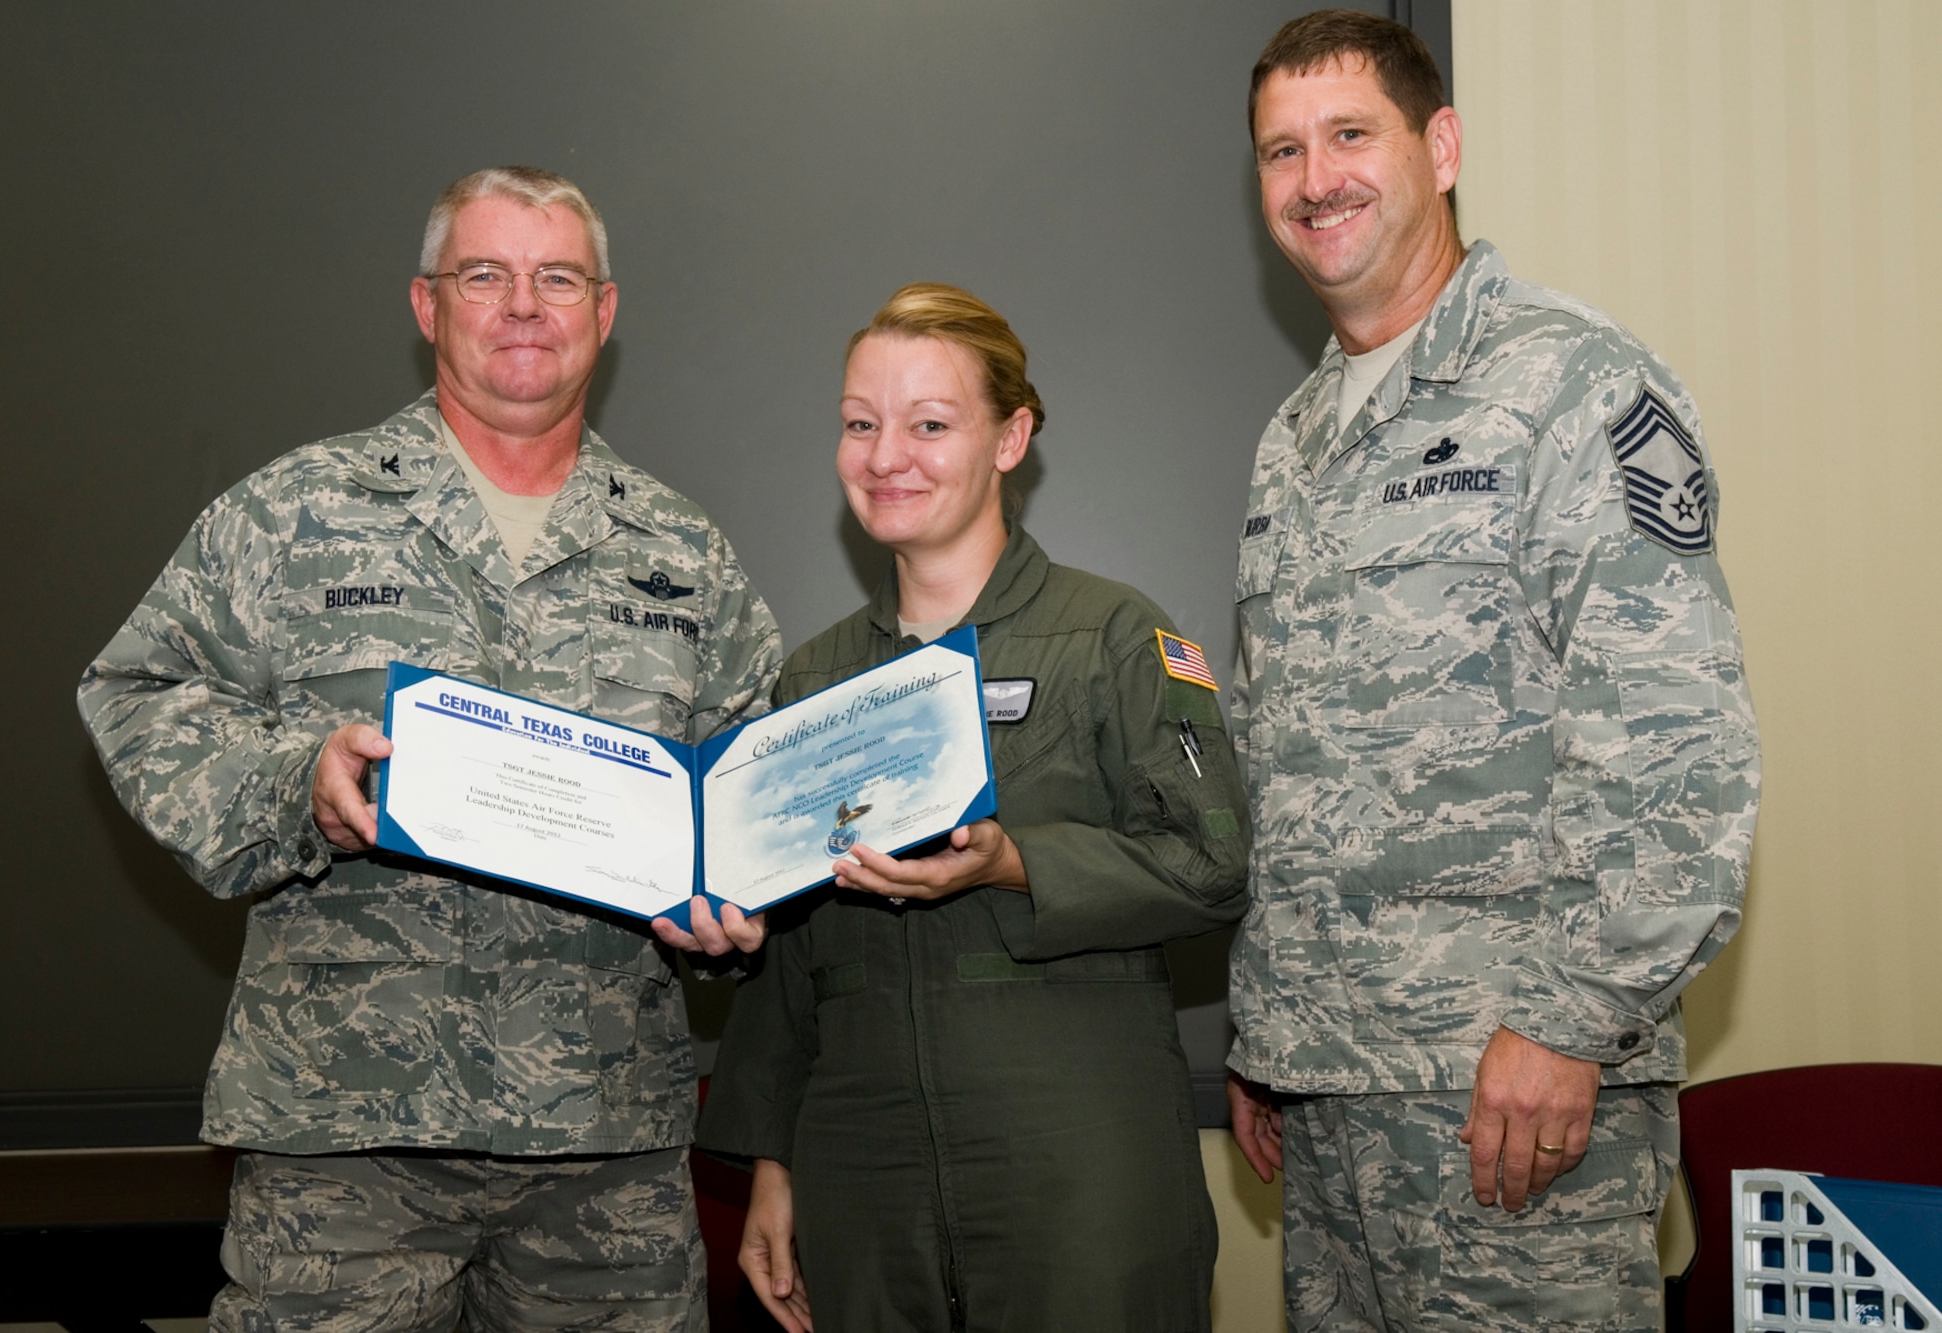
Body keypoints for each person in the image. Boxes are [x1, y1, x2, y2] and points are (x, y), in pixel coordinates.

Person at [77, 166, 782, 1331]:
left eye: (557, 277)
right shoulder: (293, 511)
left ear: (602, 314)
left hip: (601, 1150)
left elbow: (747, 788)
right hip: (342, 1136)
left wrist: (738, 902)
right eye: (484, 274)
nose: (522, 304)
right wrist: (289, 782)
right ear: (426, 305)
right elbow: (136, 687)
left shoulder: (682, 552)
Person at [1224, 12, 1760, 1332]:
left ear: (1442, 147)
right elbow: (1282, 749)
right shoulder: (1293, 441)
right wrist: (1266, 1021)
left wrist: (1574, 1019)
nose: (1315, 177)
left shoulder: (1572, 383)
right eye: (1281, 151)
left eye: (1352, 135)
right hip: (1333, 1093)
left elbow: (1674, 740)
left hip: (1511, 1098)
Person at [697, 283, 1252, 1333]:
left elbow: (1213, 862)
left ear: (1011, 438)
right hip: (862, 1177)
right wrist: (774, 1161)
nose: (884, 454)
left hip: (1079, 1164)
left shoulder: (1112, 635)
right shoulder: (812, 681)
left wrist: (1018, 864)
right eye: (859, 424)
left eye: (929, 424)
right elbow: (788, 960)